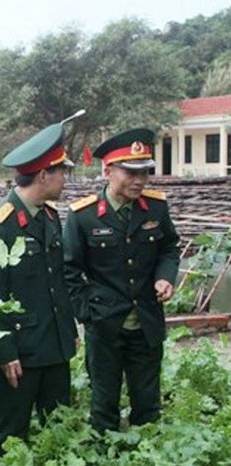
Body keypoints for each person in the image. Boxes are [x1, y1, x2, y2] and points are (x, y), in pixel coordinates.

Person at [63, 128, 180, 432]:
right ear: (108, 170)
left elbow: (169, 247)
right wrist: (87, 314)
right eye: (130, 172)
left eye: (145, 172)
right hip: (105, 325)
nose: (140, 180)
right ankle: (104, 459)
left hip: (146, 321)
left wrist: (165, 277)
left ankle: (148, 459)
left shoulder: (156, 207)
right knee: (104, 402)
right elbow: (70, 270)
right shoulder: (84, 216)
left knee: (148, 401)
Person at [0, 123, 78, 455]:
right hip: (20, 353)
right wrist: (6, 353)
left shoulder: (48, 216)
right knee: (9, 433)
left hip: (54, 346)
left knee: (57, 429)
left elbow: (56, 281)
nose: (66, 179)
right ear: (44, 174)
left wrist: (69, 330)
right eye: (63, 171)